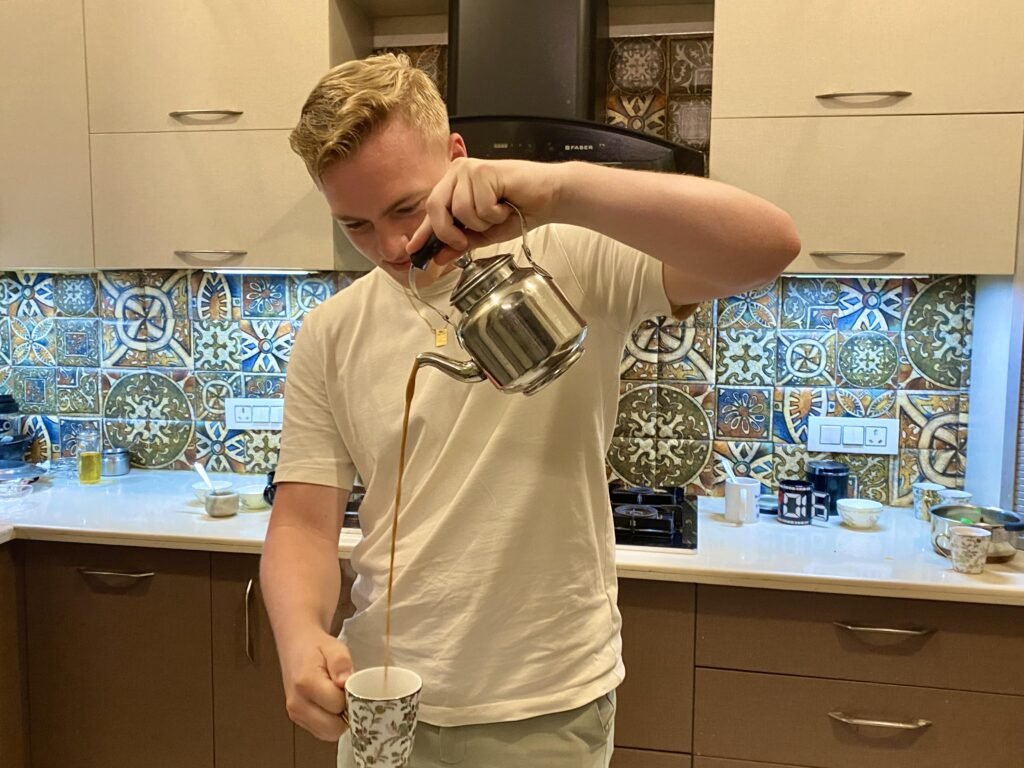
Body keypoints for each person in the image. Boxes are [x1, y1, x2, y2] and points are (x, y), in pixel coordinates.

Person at [261, 53, 799, 768]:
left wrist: (555, 188)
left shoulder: (569, 260)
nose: (390, 247)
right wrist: (299, 636)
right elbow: (301, 520)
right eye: (355, 224)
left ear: (456, 158)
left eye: (404, 208)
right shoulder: (330, 332)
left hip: (544, 699)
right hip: (384, 695)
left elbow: (767, 246)